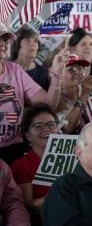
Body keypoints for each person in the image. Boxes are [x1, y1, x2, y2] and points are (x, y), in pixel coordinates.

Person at [0, 23, 62, 165]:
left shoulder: (15, 70)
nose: (3, 43)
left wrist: (57, 74)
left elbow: (48, 104)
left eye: (5, 39)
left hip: (14, 150)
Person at [11, 104, 60, 218]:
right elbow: (29, 206)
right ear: (28, 136)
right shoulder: (21, 165)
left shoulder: (74, 156)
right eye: (38, 126)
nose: (46, 129)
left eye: (51, 124)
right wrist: (58, 194)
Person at [55, 54, 92, 134]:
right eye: (71, 70)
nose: (78, 72)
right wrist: (84, 96)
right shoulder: (56, 99)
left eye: (81, 69)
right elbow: (66, 128)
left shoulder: (86, 87)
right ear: (59, 75)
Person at [10, 26, 50, 91]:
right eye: (28, 41)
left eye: (36, 41)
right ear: (17, 44)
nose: (33, 44)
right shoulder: (5, 68)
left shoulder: (44, 73)